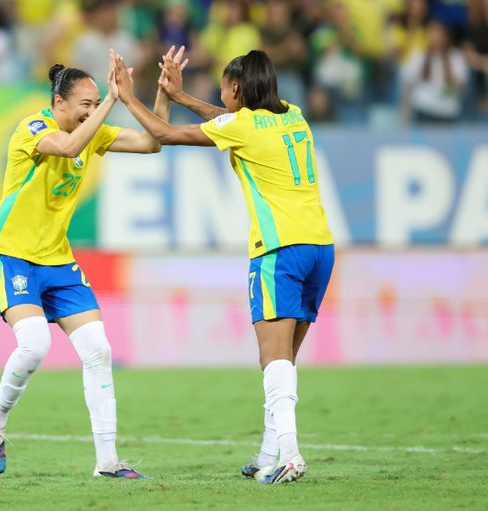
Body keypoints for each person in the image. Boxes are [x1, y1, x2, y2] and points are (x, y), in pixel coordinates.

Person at [113, 48, 334, 484]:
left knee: (273, 358)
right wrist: (181, 96)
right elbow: (231, 120)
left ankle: (290, 454)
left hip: (278, 249)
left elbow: (164, 133)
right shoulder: (293, 115)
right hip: (320, 247)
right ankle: (270, 451)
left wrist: (128, 97)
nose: (220, 96)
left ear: (236, 88)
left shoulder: (243, 126)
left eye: (223, 89)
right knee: (283, 360)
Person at [0, 48, 173, 479]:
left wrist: (160, 95)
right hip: (12, 254)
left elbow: (152, 142)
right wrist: (111, 100)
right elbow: (67, 148)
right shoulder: (34, 128)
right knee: (34, 345)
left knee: (99, 350)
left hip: (57, 259)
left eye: (95, 102)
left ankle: (107, 463)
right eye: (85, 103)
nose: (91, 111)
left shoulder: (91, 133)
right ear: (58, 102)